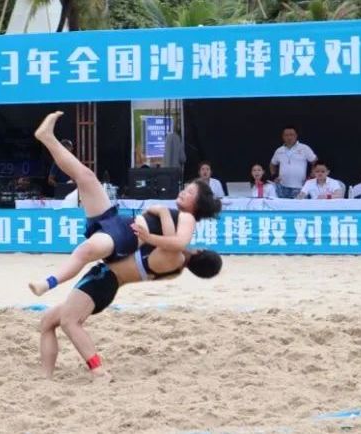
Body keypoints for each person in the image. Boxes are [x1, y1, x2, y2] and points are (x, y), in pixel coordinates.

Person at [28, 111, 221, 295]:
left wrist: (160, 218)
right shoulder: (178, 218)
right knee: (86, 176)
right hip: (117, 222)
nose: (184, 192)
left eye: (190, 192)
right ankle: (47, 138)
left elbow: (177, 244)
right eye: (187, 188)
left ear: (197, 203)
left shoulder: (188, 217)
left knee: (85, 251)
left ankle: (48, 283)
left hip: (125, 236)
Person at [38, 215, 222, 382]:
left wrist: (162, 212)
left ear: (199, 251)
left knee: (70, 322)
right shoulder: (175, 269)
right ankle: (46, 376)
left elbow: (170, 237)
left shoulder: (175, 258)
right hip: (106, 283)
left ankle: (98, 371)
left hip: (103, 280)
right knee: (48, 321)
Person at [270, 125, 317, 198]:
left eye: (291, 135)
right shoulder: (279, 150)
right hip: (282, 187)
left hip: (300, 187)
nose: (289, 137)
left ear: (296, 136)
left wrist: (312, 176)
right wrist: (274, 176)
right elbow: (272, 164)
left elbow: (315, 161)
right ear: (283, 136)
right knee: (283, 205)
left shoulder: (304, 148)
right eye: (286, 135)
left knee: (300, 205)